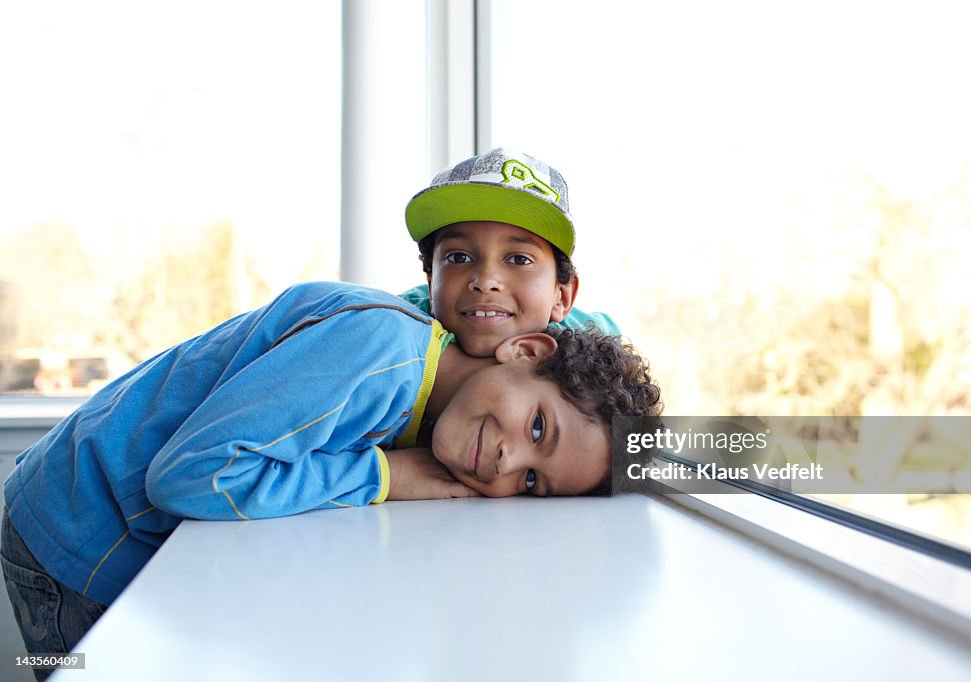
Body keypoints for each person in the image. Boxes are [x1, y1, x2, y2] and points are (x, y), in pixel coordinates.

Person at [1, 280, 661, 675]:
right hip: (73, 539)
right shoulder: (380, 356)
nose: (506, 462)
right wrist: (380, 476)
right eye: (538, 428)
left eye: (531, 485)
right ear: (526, 349)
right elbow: (190, 479)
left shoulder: (421, 387)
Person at [400, 147, 621, 358]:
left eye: (519, 259)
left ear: (561, 298)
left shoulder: (591, 341)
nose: (485, 281)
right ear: (431, 283)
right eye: (458, 257)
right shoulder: (398, 328)